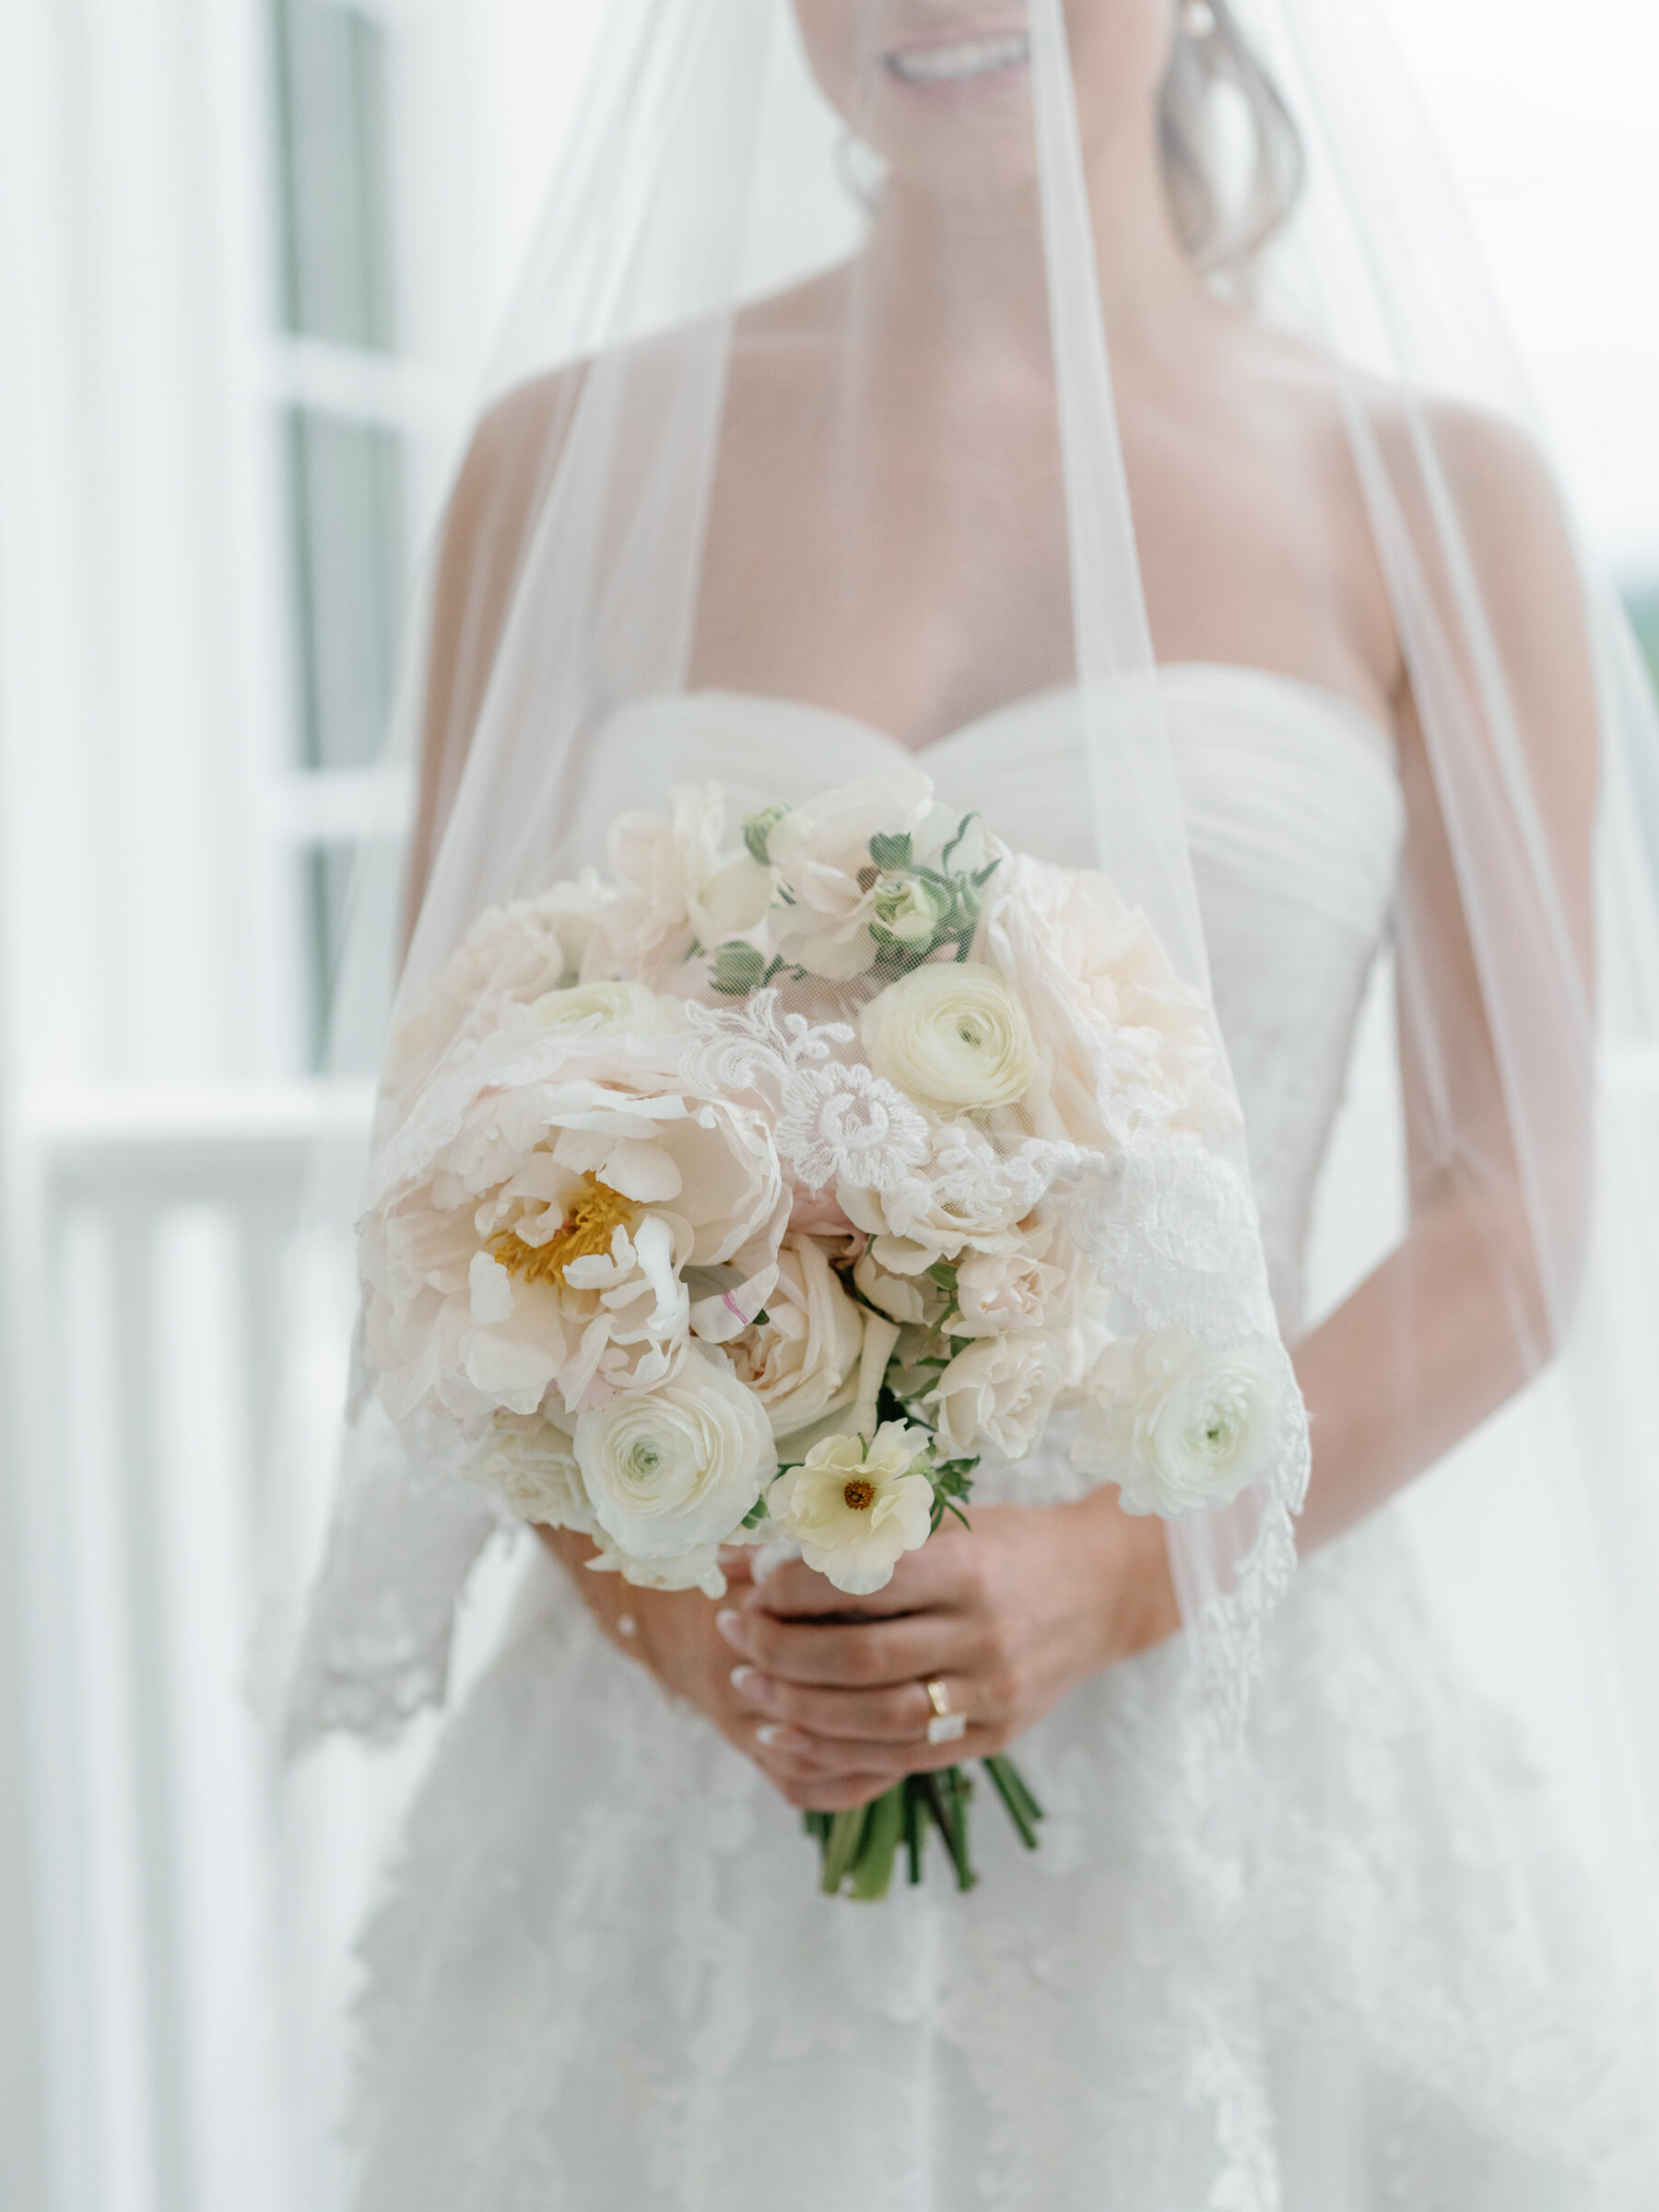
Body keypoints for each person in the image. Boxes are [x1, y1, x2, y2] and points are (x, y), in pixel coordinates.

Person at [293, 4, 1659, 2204]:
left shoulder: (1441, 495)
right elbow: (443, 1183)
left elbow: (1513, 1215)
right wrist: (686, 1617)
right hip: (686, 1753)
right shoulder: (562, 466)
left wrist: (1129, 1572)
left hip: (1231, 1738)